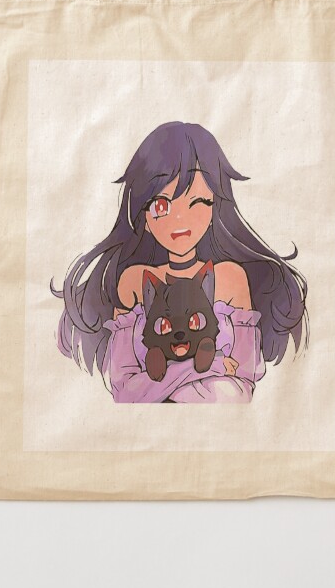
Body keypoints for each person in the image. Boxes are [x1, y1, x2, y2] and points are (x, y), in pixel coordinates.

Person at [51, 121, 308, 403]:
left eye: (196, 201)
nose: (179, 218)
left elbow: (243, 384)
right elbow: (124, 389)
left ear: (215, 206)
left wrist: (161, 385)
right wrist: (213, 367)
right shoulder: (135, 281)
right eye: (161, 205)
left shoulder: (230, 278)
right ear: (143, 216)